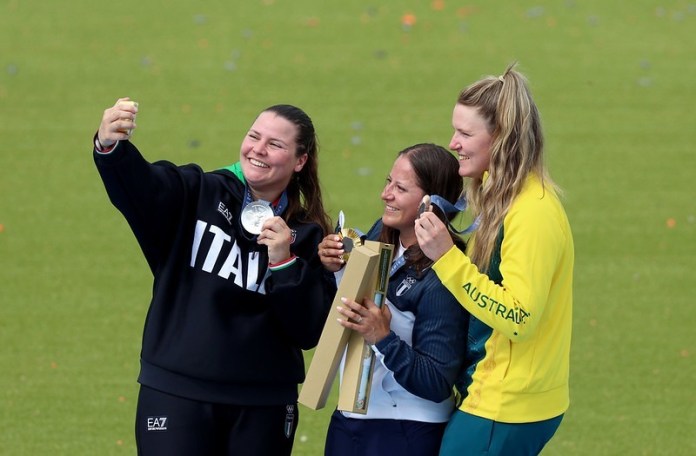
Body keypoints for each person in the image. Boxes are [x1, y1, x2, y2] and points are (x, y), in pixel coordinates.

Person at [92, 99, 335, 456]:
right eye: (254, 136)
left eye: (275, 144)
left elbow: (307, 331)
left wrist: (283, 263)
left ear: (300, 161)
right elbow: (143, 187)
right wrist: (110, 146)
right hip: (177, 393)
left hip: (263, 405)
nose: (259, 149)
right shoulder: (197, 192)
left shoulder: (309, 236)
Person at [414, 63, 575, 456]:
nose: (454, 143)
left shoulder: (531, 213)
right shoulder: (501, 197)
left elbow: (519, 317)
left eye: (466, 133)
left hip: (507, 405)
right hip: (500, 397)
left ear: (501, 138)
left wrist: (447, 258)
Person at [319, 143, 471, 456]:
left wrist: (383, 337)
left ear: (429, 204)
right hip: (351, 418)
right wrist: (332, 264)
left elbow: (436, 381)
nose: (385, 194)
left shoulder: (444, 273)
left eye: (400, 188)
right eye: (389, 182)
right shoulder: (382, 234)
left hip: (405, 429)